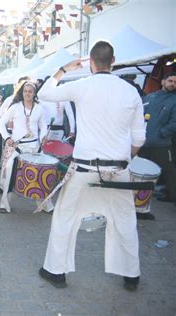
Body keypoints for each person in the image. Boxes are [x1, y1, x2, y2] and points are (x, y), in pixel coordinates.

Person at [37, 40, 146, 291]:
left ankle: (55, 272)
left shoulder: (83, 85)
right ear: (113, 61)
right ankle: (131, 275)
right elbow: (139, 138)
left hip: (84, 169)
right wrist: (123, 159)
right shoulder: (131, 91)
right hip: (118, 169)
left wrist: (65, 68)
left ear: (91, 62)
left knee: (65, 217)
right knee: (125, 221)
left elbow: (44, 93)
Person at [0, 81, 50, 213]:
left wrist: (43, 136)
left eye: (30, 91)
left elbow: (43, 126)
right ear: (22, 92)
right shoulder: (15, 107)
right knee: (10, 176)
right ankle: (4, 204)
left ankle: (45, 205)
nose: (27, 93)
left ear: (34, 93)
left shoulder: (40, 108)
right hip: (17, 148)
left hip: (35, 147)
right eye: (25, 91)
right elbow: (1, 123)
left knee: (39, 177)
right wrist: (7, 138)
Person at [138, 72, 176, 208]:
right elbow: (138, 116)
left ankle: (173, 196)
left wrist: (161, 133)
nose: (173, 84)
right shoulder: (150, 97)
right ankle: (139, 199)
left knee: (169, 171)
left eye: (175, 82)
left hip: (162, 144)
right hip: (144, 143)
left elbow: (174, 123)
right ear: (163, 81)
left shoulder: (174, 100)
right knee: (142, 171)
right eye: (170, 81)